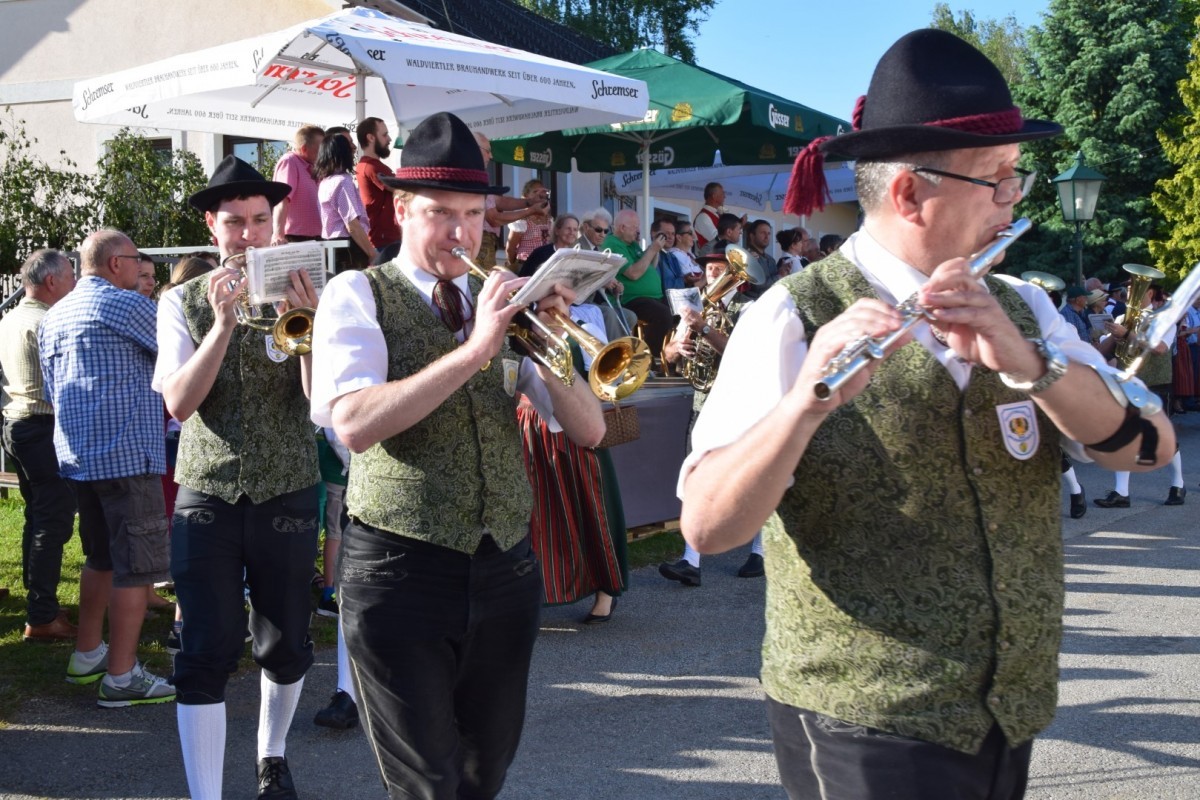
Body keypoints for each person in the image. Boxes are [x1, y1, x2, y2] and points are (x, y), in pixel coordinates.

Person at [680, 29, 1175, 800]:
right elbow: (709, 529)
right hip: (863, 719)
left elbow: (1147, 448)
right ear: (910, 192)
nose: (1014, 200)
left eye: (1016, 178)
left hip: (1007, 709)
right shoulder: (790, 314)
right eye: (998, 180)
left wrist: (1030, 364)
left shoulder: (1027, 306)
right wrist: (805, 404)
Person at [310, 111, 604, 800]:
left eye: (473, 214)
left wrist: (550, 340)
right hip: (399, 567)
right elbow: (353, 423)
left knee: (484, 770)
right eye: (440, 212)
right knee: (428, 781)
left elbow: (590, 431)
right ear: (402, 210)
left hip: (503, 565)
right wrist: (475, 351)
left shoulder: (501, 301)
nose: (461, 233)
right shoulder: (357, 293)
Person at [155, 155, 322, 800]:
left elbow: (317, 403)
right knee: (204, 645)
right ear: (212, 225)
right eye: (234, 222)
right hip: (209, 487)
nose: (248, 235)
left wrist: (308, 331)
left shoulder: (304, 289)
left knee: (286, 639)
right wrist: (222, 326)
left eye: (258, 220)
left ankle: (271, 756)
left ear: (274, 222)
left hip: (287, 484)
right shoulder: (180, 301)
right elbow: (179, 404)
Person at [39, 232, 175, 707]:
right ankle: (121, 676)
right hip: (128, 457)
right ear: (117, 263)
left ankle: (87, 653)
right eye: (137, 260)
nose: (141, 270)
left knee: (101, 558)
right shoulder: (125, 304)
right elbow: (180, 352)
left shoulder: (54, 316)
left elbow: (52, 391)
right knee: (135, 570)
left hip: (79, 459)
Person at [660, 246, 762, 584]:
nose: (713, 274)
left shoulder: (749, 308)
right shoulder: (696, 308)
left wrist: (703, 328)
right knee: (695, 476)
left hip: (740, 402)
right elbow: (670, 359)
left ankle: (761, 550)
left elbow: (741, 354)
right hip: (703, 402)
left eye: (720, 269)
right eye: (710, 270)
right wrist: (677, 348)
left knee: (750, 477)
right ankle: (691, 560)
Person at [1, 249, 78, 642]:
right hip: (41, 426)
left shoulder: (11, 318)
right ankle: (42, 615)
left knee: (38, 515)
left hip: (16, 424)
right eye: (70, 277)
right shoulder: (49, 321)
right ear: (51, 281)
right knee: (53, 520)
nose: (74, 284)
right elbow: (62, 383)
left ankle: (40, 604)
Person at [1092, 286, 1185, 508]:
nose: (1129, 293)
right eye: (1129, 288)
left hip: (1155, 384)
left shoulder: (1163, 318)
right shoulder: (1123, 318)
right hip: (1127, 383)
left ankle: (1178, 484)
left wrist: (1127, 334)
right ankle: (1121, 492)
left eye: (1135, 288)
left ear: (1150, 293)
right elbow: (1103, 351)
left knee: (1161, 437)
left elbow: (1160, 348)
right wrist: (1113, 336)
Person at [603, 209, 672, 365]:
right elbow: (633, 273)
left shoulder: (632, 245)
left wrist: (655, 249)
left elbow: (650, 266)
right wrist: (652, 249)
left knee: (682, 312)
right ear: (622, 228)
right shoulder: (613, 243)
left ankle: (673, 358)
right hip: (631, 298)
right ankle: (649, 361)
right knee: (662, 315)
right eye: (635, 227)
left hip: (653, 297)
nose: (638, 230)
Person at [473, 132, 549, 268]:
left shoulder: (478, 176)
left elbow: (500, 202)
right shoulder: (470, 178)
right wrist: (531, 210)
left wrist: (530, 202)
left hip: (486, 245)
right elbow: (494, 219)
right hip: (479, 244)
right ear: (473, 149)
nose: (491, 156)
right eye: (488, 151)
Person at [317, 133, 377, 271]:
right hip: (348, 249)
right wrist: (371, 253)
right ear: (343, 152)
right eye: (350, 145)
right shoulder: (343, 181)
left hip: (331, 247)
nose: (354, 148)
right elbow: (352, 225)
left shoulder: (325, 182)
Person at [271, 125, 324, 245]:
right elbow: (282, 200)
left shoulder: (313, 166)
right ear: (304, 149)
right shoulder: (290, 162)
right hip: (295, 239)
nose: (324, 153)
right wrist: (278, 235)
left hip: (315, 238)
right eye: (320, 149)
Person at [355, 116, 401, 251]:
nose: (389, 139)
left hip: (384, 238)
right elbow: (402, 188)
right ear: (371, 137)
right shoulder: (371, 166)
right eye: (385, 135)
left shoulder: (369, 165)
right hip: (383, 240)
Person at [505, 178, 552, 270]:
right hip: (526, 265)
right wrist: (516, 266)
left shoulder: (549, 220)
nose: (540, 195)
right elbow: (510, 248)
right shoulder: (522, 220)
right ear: (526, 196)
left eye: (543, 191)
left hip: (545, 266)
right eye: (535, 192)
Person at [692, 182, 745, 250]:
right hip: (710, 256)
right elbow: (718, 239)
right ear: (714, 196)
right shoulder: (703, 217)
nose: (724, 196)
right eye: (722, 193)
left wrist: (738, 227)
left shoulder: (717, 214)